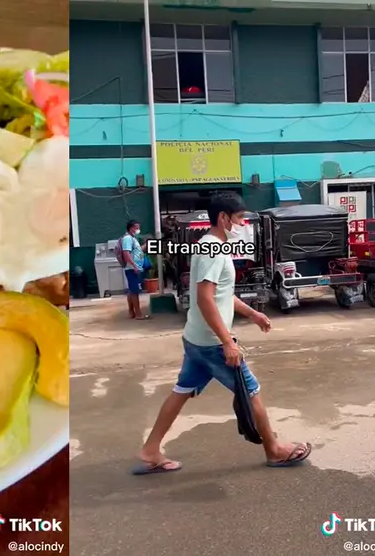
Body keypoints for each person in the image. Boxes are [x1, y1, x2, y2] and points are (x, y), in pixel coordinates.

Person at [132, 193, 312, 474]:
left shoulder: (212, 246)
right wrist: (227, 342)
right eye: (239, 218)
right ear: (223, 218)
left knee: (181, 391)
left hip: (197, 339)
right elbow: (205, 298)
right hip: (212, 343)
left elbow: (222, 294)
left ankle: (151, 449)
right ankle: (274, 450)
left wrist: (252, 314)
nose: (243, 224)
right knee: (251, 392)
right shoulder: (212, 250)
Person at [119, 219, 148, 319]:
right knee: (135, 292)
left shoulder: (133, 238)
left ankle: (132, 312)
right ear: (131, 228)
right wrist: (134, 266)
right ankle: (138, 314)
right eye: (137, 228)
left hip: (135, 268)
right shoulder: (127, 238)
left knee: (132, 290)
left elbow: (137, 252)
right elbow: (126, 254)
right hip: (132, 268)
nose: (138, 229)